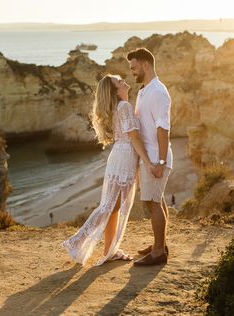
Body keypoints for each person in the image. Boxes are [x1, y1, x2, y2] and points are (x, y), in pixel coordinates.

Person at [62, 74, 154, 266]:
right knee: (110, 207)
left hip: (119, 156)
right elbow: (134, 138)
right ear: (115, 91)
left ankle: (109, 250)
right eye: (118, 81)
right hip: (125, 157)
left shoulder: (118, 108)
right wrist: (147, 162)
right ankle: (76, 241)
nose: (123, 81)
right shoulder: (125, 107)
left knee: (112, 207)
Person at [127, 48, 173, 266]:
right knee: (156, 201)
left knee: (152, 202)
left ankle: (158, 252)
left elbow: (163, 129)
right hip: (149, 158)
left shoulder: (158, 92)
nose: (132, 73)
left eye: (134, 68)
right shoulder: (145, 91)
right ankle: (160, 244)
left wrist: (161, 162)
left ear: (145, 65)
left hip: (156, 158)